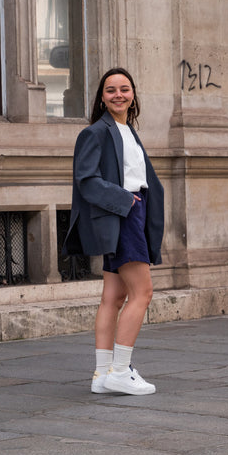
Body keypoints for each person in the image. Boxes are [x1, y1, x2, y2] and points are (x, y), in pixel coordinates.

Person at [62, 68, 164, 395]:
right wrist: (128, 203)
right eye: (110, 90)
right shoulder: (96, 132)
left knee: (114, 296)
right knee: (142, 293)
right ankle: (120, 371)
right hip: (121, 215)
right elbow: (87, 181)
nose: (118, 95)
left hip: (129, 212)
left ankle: (102, 374)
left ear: (133, 93)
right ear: (102, 97)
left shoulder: (127, 130)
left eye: (124, 89)